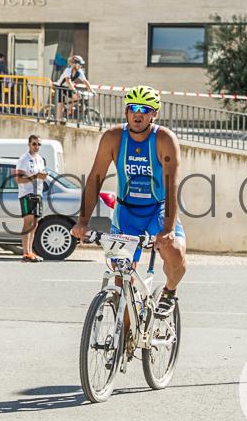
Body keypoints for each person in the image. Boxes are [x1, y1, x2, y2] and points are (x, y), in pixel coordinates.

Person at [71, 86, 187, 317]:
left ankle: (169, 291)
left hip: (157, 209)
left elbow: (171, 186)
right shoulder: (113, 138)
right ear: (126, 111)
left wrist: (167, 230)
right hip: (126, 212)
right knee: (122, 281)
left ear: (154, 114)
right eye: (133, 108)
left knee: (175, 253)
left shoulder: (164, 139)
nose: (138, 114)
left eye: (145, 109)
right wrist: (82, 222)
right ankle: (125, 335)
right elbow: (95, 179)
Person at [14, 135, 47, 262]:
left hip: (38, 193)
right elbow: (18, 179)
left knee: (35, 223)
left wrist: (43, 176)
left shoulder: (40, 159)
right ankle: (25, 253)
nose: (36, 146)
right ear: (29, 144)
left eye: (38, 144)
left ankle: (30, 252)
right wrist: (35, 176)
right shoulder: (24, 159)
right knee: (27, 223)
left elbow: (41, 175)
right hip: (27, 194)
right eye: (34, 144)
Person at [55, 55, 92, 124]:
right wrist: (74, 90)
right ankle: (58, 120)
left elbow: (85, 81)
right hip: (60, 87)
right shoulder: (68, 70)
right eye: (79, 64)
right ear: (74, 64)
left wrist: (91, 90)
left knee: (78, 97)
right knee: (60, 103)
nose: (81, 66)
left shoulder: (79, 72)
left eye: (81, 64)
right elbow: (68, 81)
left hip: (67, 87)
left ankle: (67, 107)